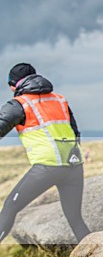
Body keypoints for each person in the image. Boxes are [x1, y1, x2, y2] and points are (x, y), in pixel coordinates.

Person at [0, 63, 90, 244]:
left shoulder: (20, 104)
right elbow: (75, 132)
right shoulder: (59, 100)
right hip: (73, 167)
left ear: (14, 85)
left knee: (10, 207)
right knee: (75, 218)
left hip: (47, 168)